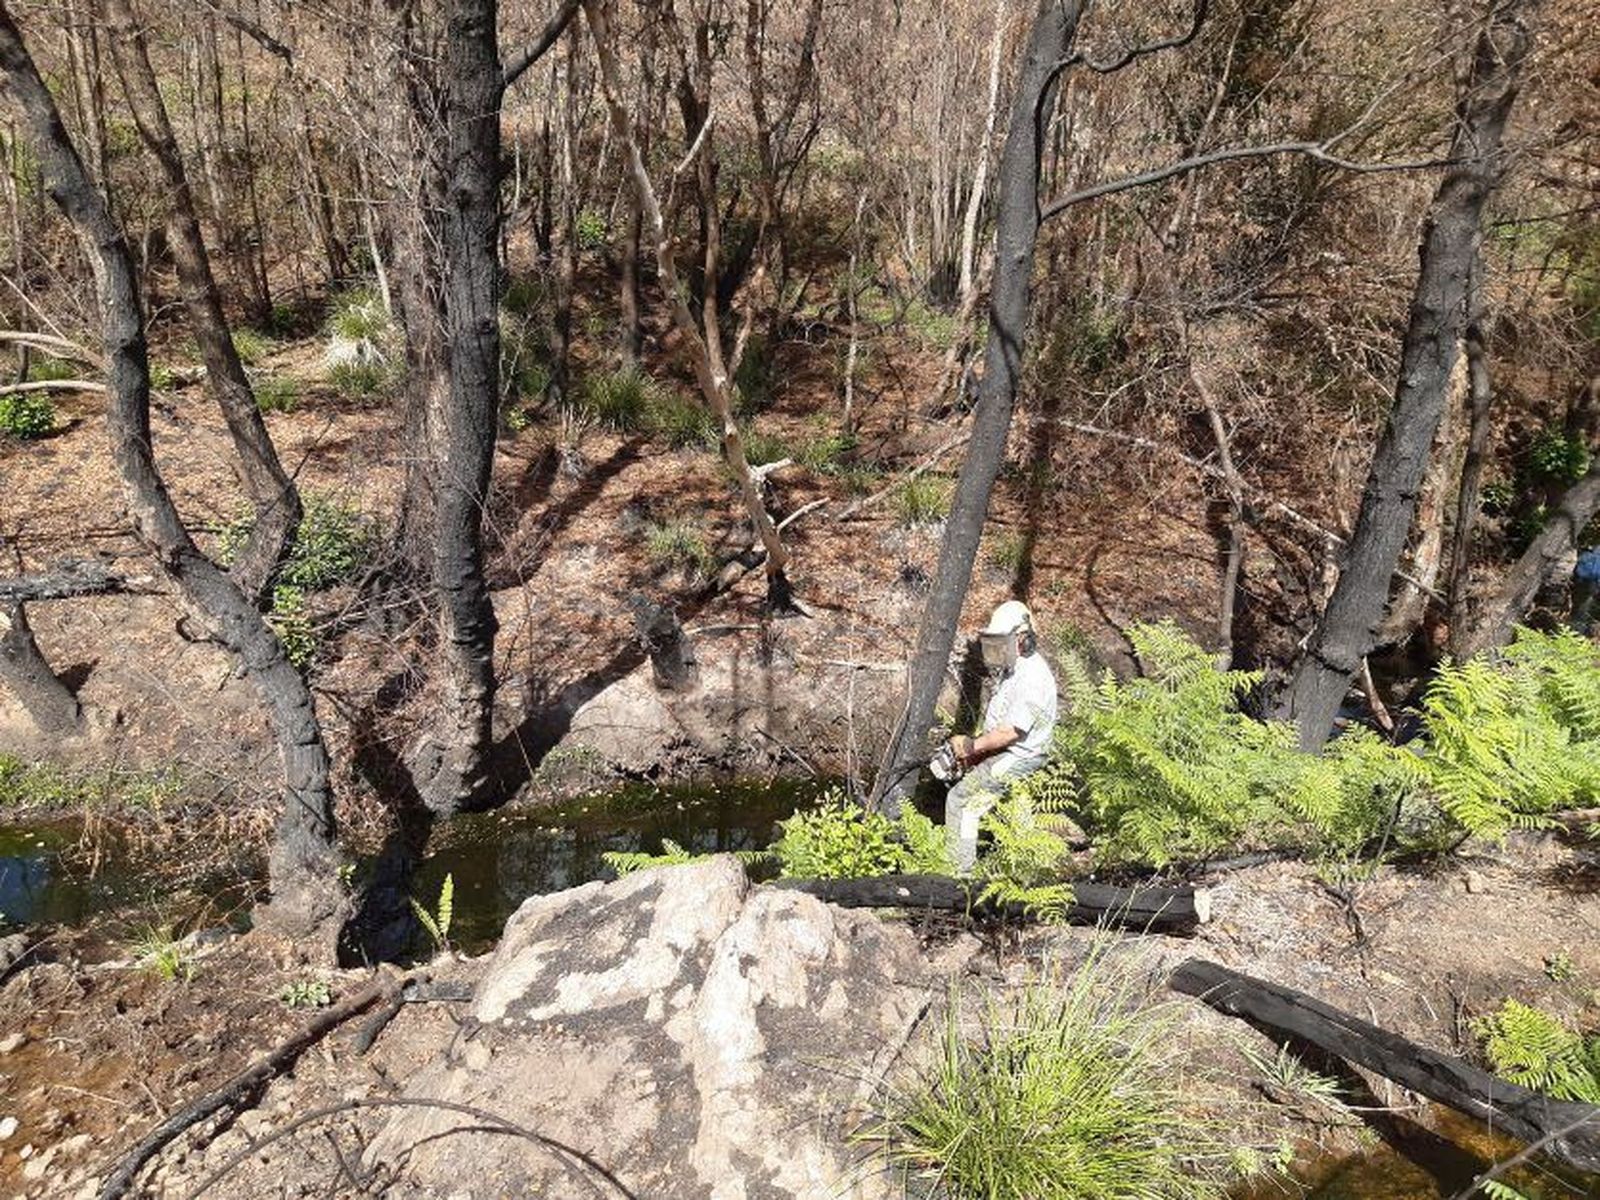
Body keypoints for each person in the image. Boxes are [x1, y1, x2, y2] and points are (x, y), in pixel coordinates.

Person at [940, 600, 1058, 873]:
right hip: (1009, 752)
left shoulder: (1033, 678)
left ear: (1022, 639)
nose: (996, 649)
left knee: (962, 801)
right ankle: (1026, 874)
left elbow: (1010, 732)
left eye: (1001, 641)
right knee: (1017, 816)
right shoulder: (1014, 671)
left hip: (1020, 756)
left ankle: (960, 877)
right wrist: (980, 751)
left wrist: (971, 747)